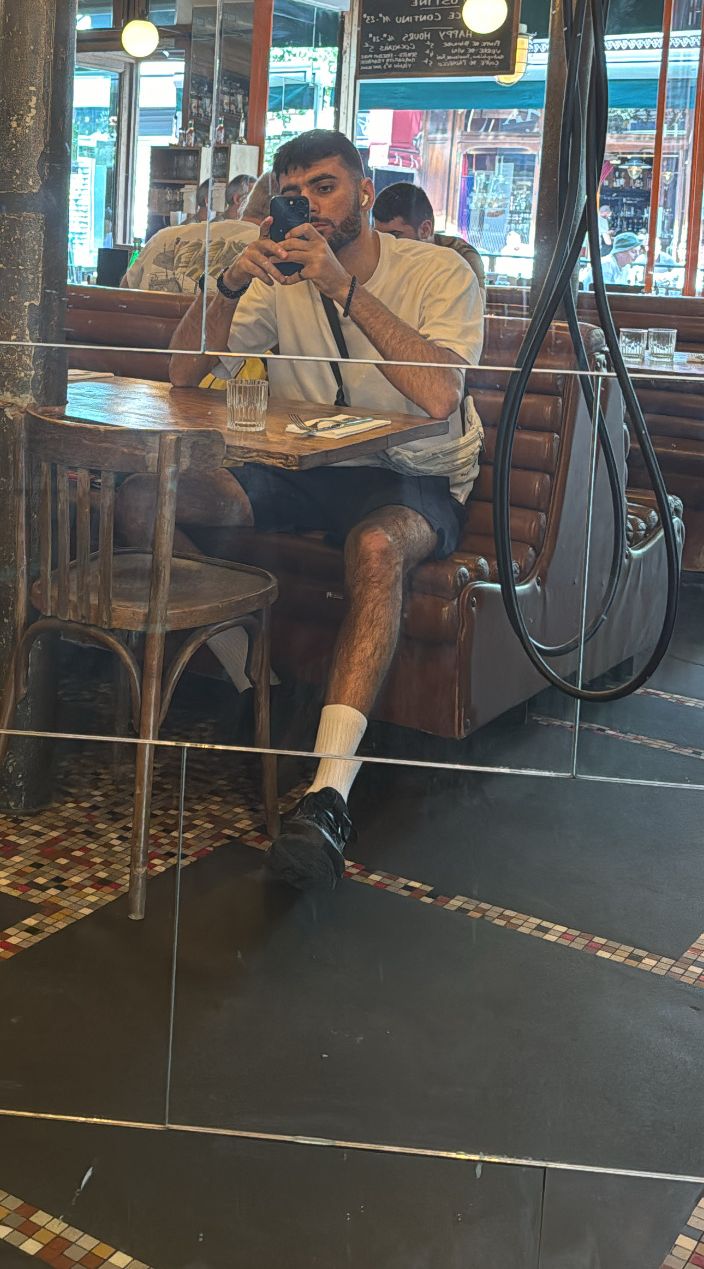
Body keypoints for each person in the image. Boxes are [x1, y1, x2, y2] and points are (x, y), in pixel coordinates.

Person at [116, 130, 485, 892]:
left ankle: (328, 793)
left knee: (377, 548)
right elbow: (183, 373)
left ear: (364, 192)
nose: (308, 206)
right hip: (308, 466)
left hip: (413, 472)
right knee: (145, 499)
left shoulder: (437, 270)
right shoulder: (277, 280)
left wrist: (342, 288)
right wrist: (226, 286)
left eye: (324, 186)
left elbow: (439, 396)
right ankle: (256, 683)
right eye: (293, 194)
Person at [122, 178, 269, 295]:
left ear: (246, 203)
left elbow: (121, 296)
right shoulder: (267, 251)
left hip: (147, 323)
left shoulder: (163, 237)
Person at [371, 181, 486, 293]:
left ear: (425, 230)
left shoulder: (463, 256)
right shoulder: (382, 254)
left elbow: (476, 304)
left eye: (394, 235)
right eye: (379, 235)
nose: (385, 242)